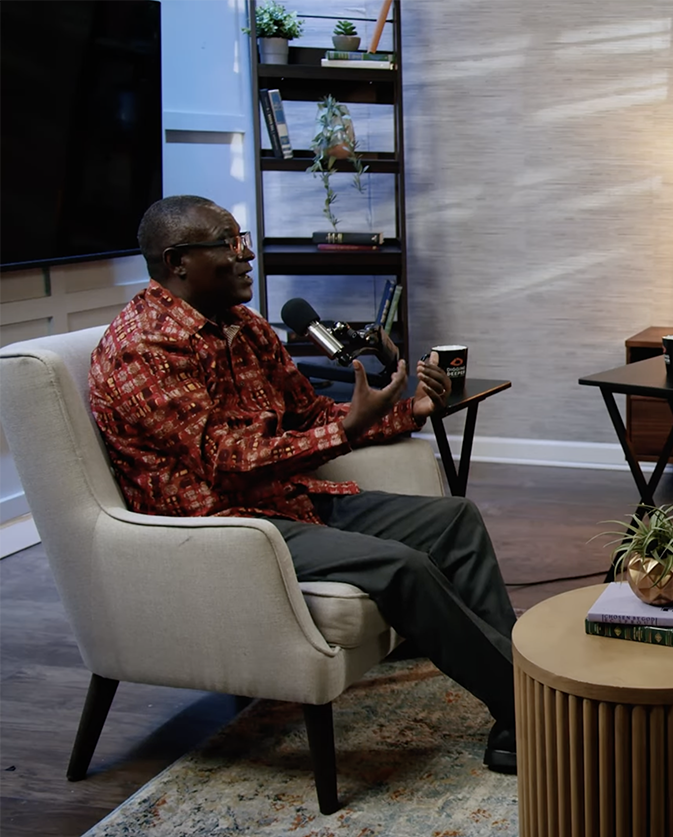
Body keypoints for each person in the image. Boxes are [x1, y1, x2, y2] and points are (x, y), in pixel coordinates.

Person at [88, 195, 521, 774]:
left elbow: (309, 414)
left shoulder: (245, 326)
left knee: (454, 519)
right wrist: (345, 430)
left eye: (243, 240)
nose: (246, 256)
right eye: (228, 245)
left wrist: (407, 409)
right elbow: (228, 463)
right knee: (403, 566)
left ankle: (521, 690)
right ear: (177, 262)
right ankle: (529, 706)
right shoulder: (143, 348)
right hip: (222, 531)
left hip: (286, 500)